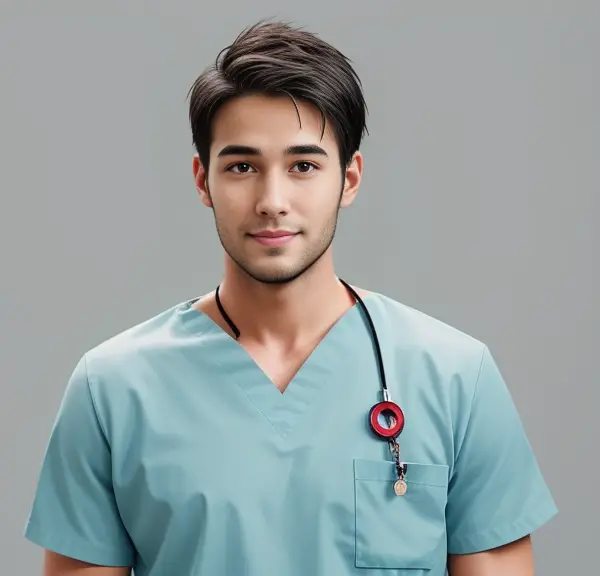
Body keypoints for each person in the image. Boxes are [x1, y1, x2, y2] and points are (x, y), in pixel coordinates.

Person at [24, 20, 558, 576]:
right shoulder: (112, 389)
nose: (272, 200)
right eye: (242, 167)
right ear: (203, 181)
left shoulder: (454, 377)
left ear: (349, 179)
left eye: (303, 165)